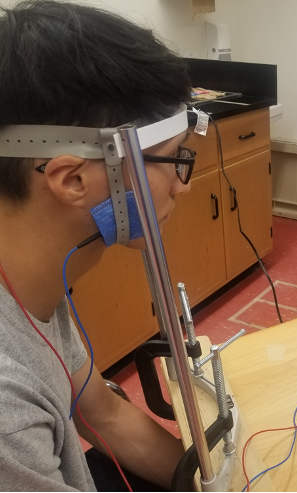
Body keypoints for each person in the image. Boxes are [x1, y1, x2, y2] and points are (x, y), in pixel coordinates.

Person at [0, 1, 195, 490]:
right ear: (72, 179)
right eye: (170, 160)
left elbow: (104, 414)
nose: (182, 184)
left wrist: (222, 482)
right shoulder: (7, 409)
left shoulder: (34, 286)